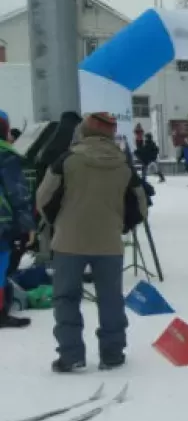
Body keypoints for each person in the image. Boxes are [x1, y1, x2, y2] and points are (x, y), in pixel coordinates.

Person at [36, 112, 147, 372]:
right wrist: (122, 225)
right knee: (110, 299)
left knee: (66, 298)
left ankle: (71, 354)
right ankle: (112, 353)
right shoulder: (124, 166)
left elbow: (44, 197)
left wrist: (58, 222)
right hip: (108, 242)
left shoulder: (66, 161)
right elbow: (140, 204)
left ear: (82, 132)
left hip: (68, 242)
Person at [0, 109, 34, 329]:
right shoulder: (6, 155)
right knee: (1, 265)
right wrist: (28, 225)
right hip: (2, 223)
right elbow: (17, 192)